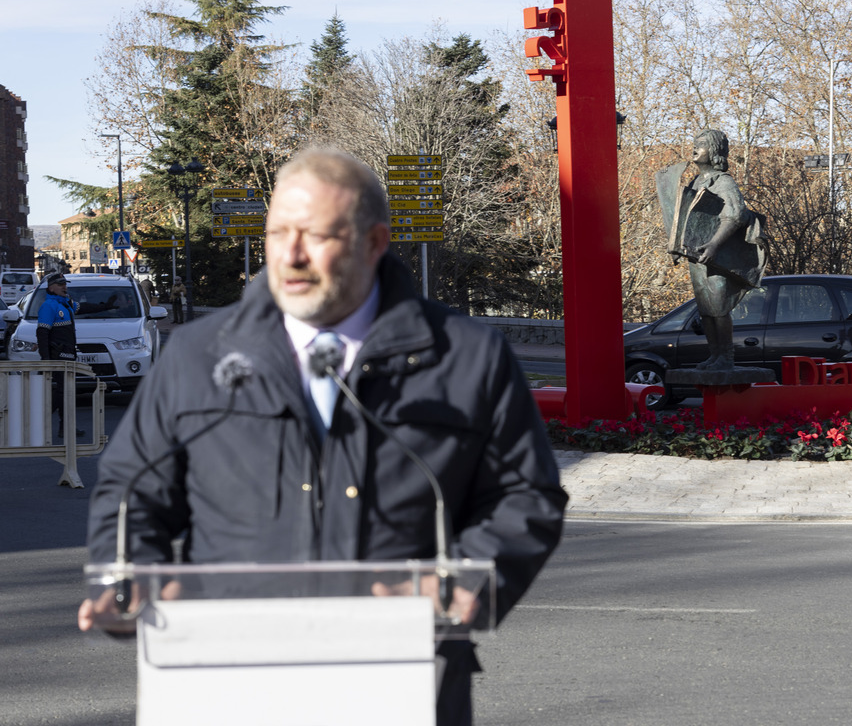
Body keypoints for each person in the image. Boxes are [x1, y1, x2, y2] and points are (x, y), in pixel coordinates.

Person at [79, 146, 568, 725]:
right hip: (224, 674)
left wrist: (466, 582)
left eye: (316, 235)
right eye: (278, 231)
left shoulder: (467, 357)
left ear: (374, 243)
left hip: (403, 674)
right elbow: (130, 490)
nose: (291, 254)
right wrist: (128, 577)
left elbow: (525, 496)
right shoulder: (196, 356)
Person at [673, 129, 766, 370]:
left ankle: (726, 357)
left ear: (714, 152)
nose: (695, 148)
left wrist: (714, 244)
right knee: (706, 310)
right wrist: (676, 247)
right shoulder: (696, 182)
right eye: (695, 143)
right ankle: (714, 355)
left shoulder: (723, 181)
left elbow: (735, 215)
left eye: (701, 145)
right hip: (696, 256)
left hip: (717, 257)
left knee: (718, 307)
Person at [37, 273, 117, 438]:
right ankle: (38, 420)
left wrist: (106, 306)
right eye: (60, 285)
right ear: (51, 287)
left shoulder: (66, 303)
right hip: (58, 355)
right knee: (62, 391)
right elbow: (42, 333)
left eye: (65, 284)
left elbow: (86, 307)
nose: (65, 287)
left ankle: (64, 428)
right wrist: (46, 359)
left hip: (67, 354)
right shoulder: (49, 306)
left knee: (66, 391)